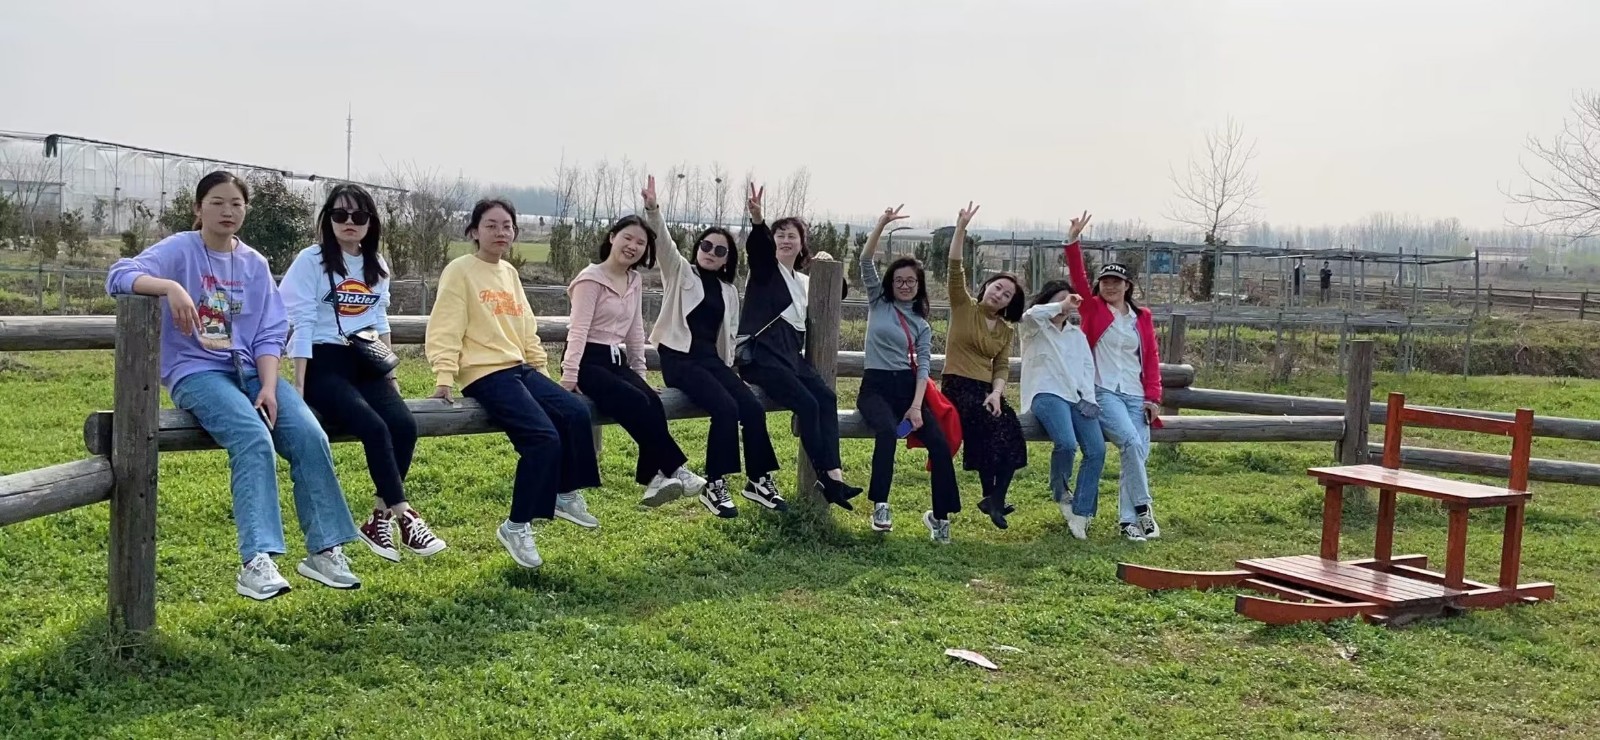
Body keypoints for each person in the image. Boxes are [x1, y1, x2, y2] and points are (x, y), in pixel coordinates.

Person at [106, 171, 362, 600]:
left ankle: (324, 550)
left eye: (236, 204)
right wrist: (170, 288)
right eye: (217, 202)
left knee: (310, 435)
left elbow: (270, 331)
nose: (228, 211)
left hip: (252, 372)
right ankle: (256, 561)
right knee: (252, 437)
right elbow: (119, 275)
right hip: (197, 372)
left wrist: (268, 386)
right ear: (198, 208)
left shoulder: (253, 263)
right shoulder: (180, 249)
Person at [426, 199, 603, 570]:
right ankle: (516, 525)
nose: (500, 232)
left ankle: (565, 492)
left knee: (574, 412)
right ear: (474, 231)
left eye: (506, 226)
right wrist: (444, 375)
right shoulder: (460, 270)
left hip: (519, 367)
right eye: (491, 225)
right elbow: (446, 325)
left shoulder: (508, 272)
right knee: (543, 438)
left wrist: (540, 369)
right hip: (484, 373)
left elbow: (525, 325)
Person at [280, 183, 445, 563]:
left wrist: (390, 375)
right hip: (323, 362)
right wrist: (300, 386)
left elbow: (379, 319)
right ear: (328, 220)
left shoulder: (377, 264)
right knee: (373, 427)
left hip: (365, 359)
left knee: (404, 425)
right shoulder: (311, 260)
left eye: (358, 216)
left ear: (371, 222)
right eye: (340, 215)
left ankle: (377, 519)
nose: (349, 222)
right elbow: (302, 321)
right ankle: (406, 515)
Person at [642, 176, 783, 517]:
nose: (710, 253)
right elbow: (663, 242)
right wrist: (653, 209)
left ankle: (758, 480)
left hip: (712, 362)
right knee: (725, 408)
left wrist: (757, 219)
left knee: (751, 407)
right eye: (706, 246)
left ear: (726, 260)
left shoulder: (728, 291)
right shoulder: (680, 272)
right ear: (698, 248)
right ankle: (715, 485)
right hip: (679, 360)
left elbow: (728, 336)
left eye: (720, 251)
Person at [562, 209, 706, 507]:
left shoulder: (634, 279)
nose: (633, 246)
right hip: (588, 359)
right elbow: (578, 330)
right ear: (612, 238)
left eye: (640, 243)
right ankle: (675, 469)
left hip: (616, 360)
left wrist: (640, 374)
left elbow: (635, 329)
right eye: (627, 238)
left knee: (652, 401)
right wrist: (570, 374)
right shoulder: (590, 279)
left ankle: (653, 479)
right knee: (636, 402)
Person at [735, 183, 862, 509]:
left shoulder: (804, 281)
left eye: (792, 235)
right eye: (779, 235)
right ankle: (826, 477)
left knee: (826, 398)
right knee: (807, 404)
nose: (785, 240)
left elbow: (837, 293)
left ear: (802, 243)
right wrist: (758, 220)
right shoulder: (765, 272)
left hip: (791, 354)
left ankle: (835, 475)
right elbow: (758, 249)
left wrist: (827, 265)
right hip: (763, 354)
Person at [856, 205, 962, 542]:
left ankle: (939, 518)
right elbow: (864, 261)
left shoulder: (921, 324)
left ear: (919, 286)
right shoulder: (879, 302)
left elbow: (924, 368)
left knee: (939, 445)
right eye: (899, 280)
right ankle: (880, 506)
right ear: (891, 283)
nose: (904, 285)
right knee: (888, 432)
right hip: (875, 388)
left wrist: (916, 408)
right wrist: (881, 223)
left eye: (911, 281)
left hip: (907, 392)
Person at [1063, 211, 1165, 542]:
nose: (1110, 286)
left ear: (1127, 286)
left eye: (1116, 282)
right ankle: (1144, 507)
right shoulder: (1093, 308)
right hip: (1104, 391)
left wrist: (1154, 398)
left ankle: (1128, 522)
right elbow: (1078, 277)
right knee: (1131, 443)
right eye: (1105, 281)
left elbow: (1151, 358)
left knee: (1137, 454)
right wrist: (1073, 241)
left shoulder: (1141, 317)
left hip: (1136, 394)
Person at [942, 202, 1028, 530]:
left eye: (1007, 295)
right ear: (987, 286)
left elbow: (1002, 366)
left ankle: (994, 498)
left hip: (986, 389)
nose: (999, 294)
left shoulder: (1006, 330)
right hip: (957, 384)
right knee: (989, 427)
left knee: (1012, 431)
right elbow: (955, 267)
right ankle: (991, 495)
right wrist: (960, 228)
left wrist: (997, 393)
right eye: (997, 287)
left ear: (1010, 303)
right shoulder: (963, 306)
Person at [1019, 275, 1105, 541]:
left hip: (1076, 396)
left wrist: (1089, 399)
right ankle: (1060, 491)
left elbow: (1087, 368)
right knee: (1067, 443)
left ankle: (1082, 510)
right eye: (1059, 303)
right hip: (1045, 393)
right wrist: (1060, 305)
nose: (1065, 308)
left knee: (1097, 449)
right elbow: (1031, 313)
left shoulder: (1076, 335)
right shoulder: (1034, 328)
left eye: (1069, 303)